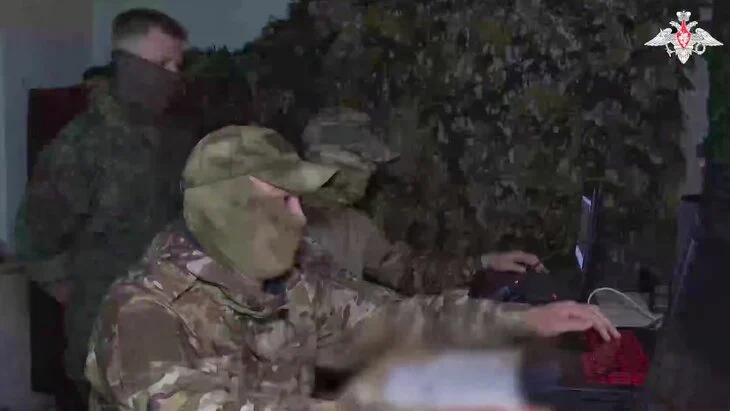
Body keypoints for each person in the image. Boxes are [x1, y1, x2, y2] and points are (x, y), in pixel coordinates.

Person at [85, 125, 618, 409]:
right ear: (230, 210)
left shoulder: (292, 284)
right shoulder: (143, 310)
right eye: (285, 201)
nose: (301, 219)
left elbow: (398, 319)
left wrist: (522, 321)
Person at [14, 8, 195, 405]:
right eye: (163, 64)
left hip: (172, 325)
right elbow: (34, 239)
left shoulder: (174, 136)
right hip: (105, 339)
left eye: (178, 65)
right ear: (128, 65)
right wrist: (87, 297)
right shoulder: (82, 144)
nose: (174, 76)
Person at [301, 107, 546, 294]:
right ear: (335, 163)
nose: (371, 172)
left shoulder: (353, 224)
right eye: (364, 163)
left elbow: (408, 271)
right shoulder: (286, 221)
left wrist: (483, 264)